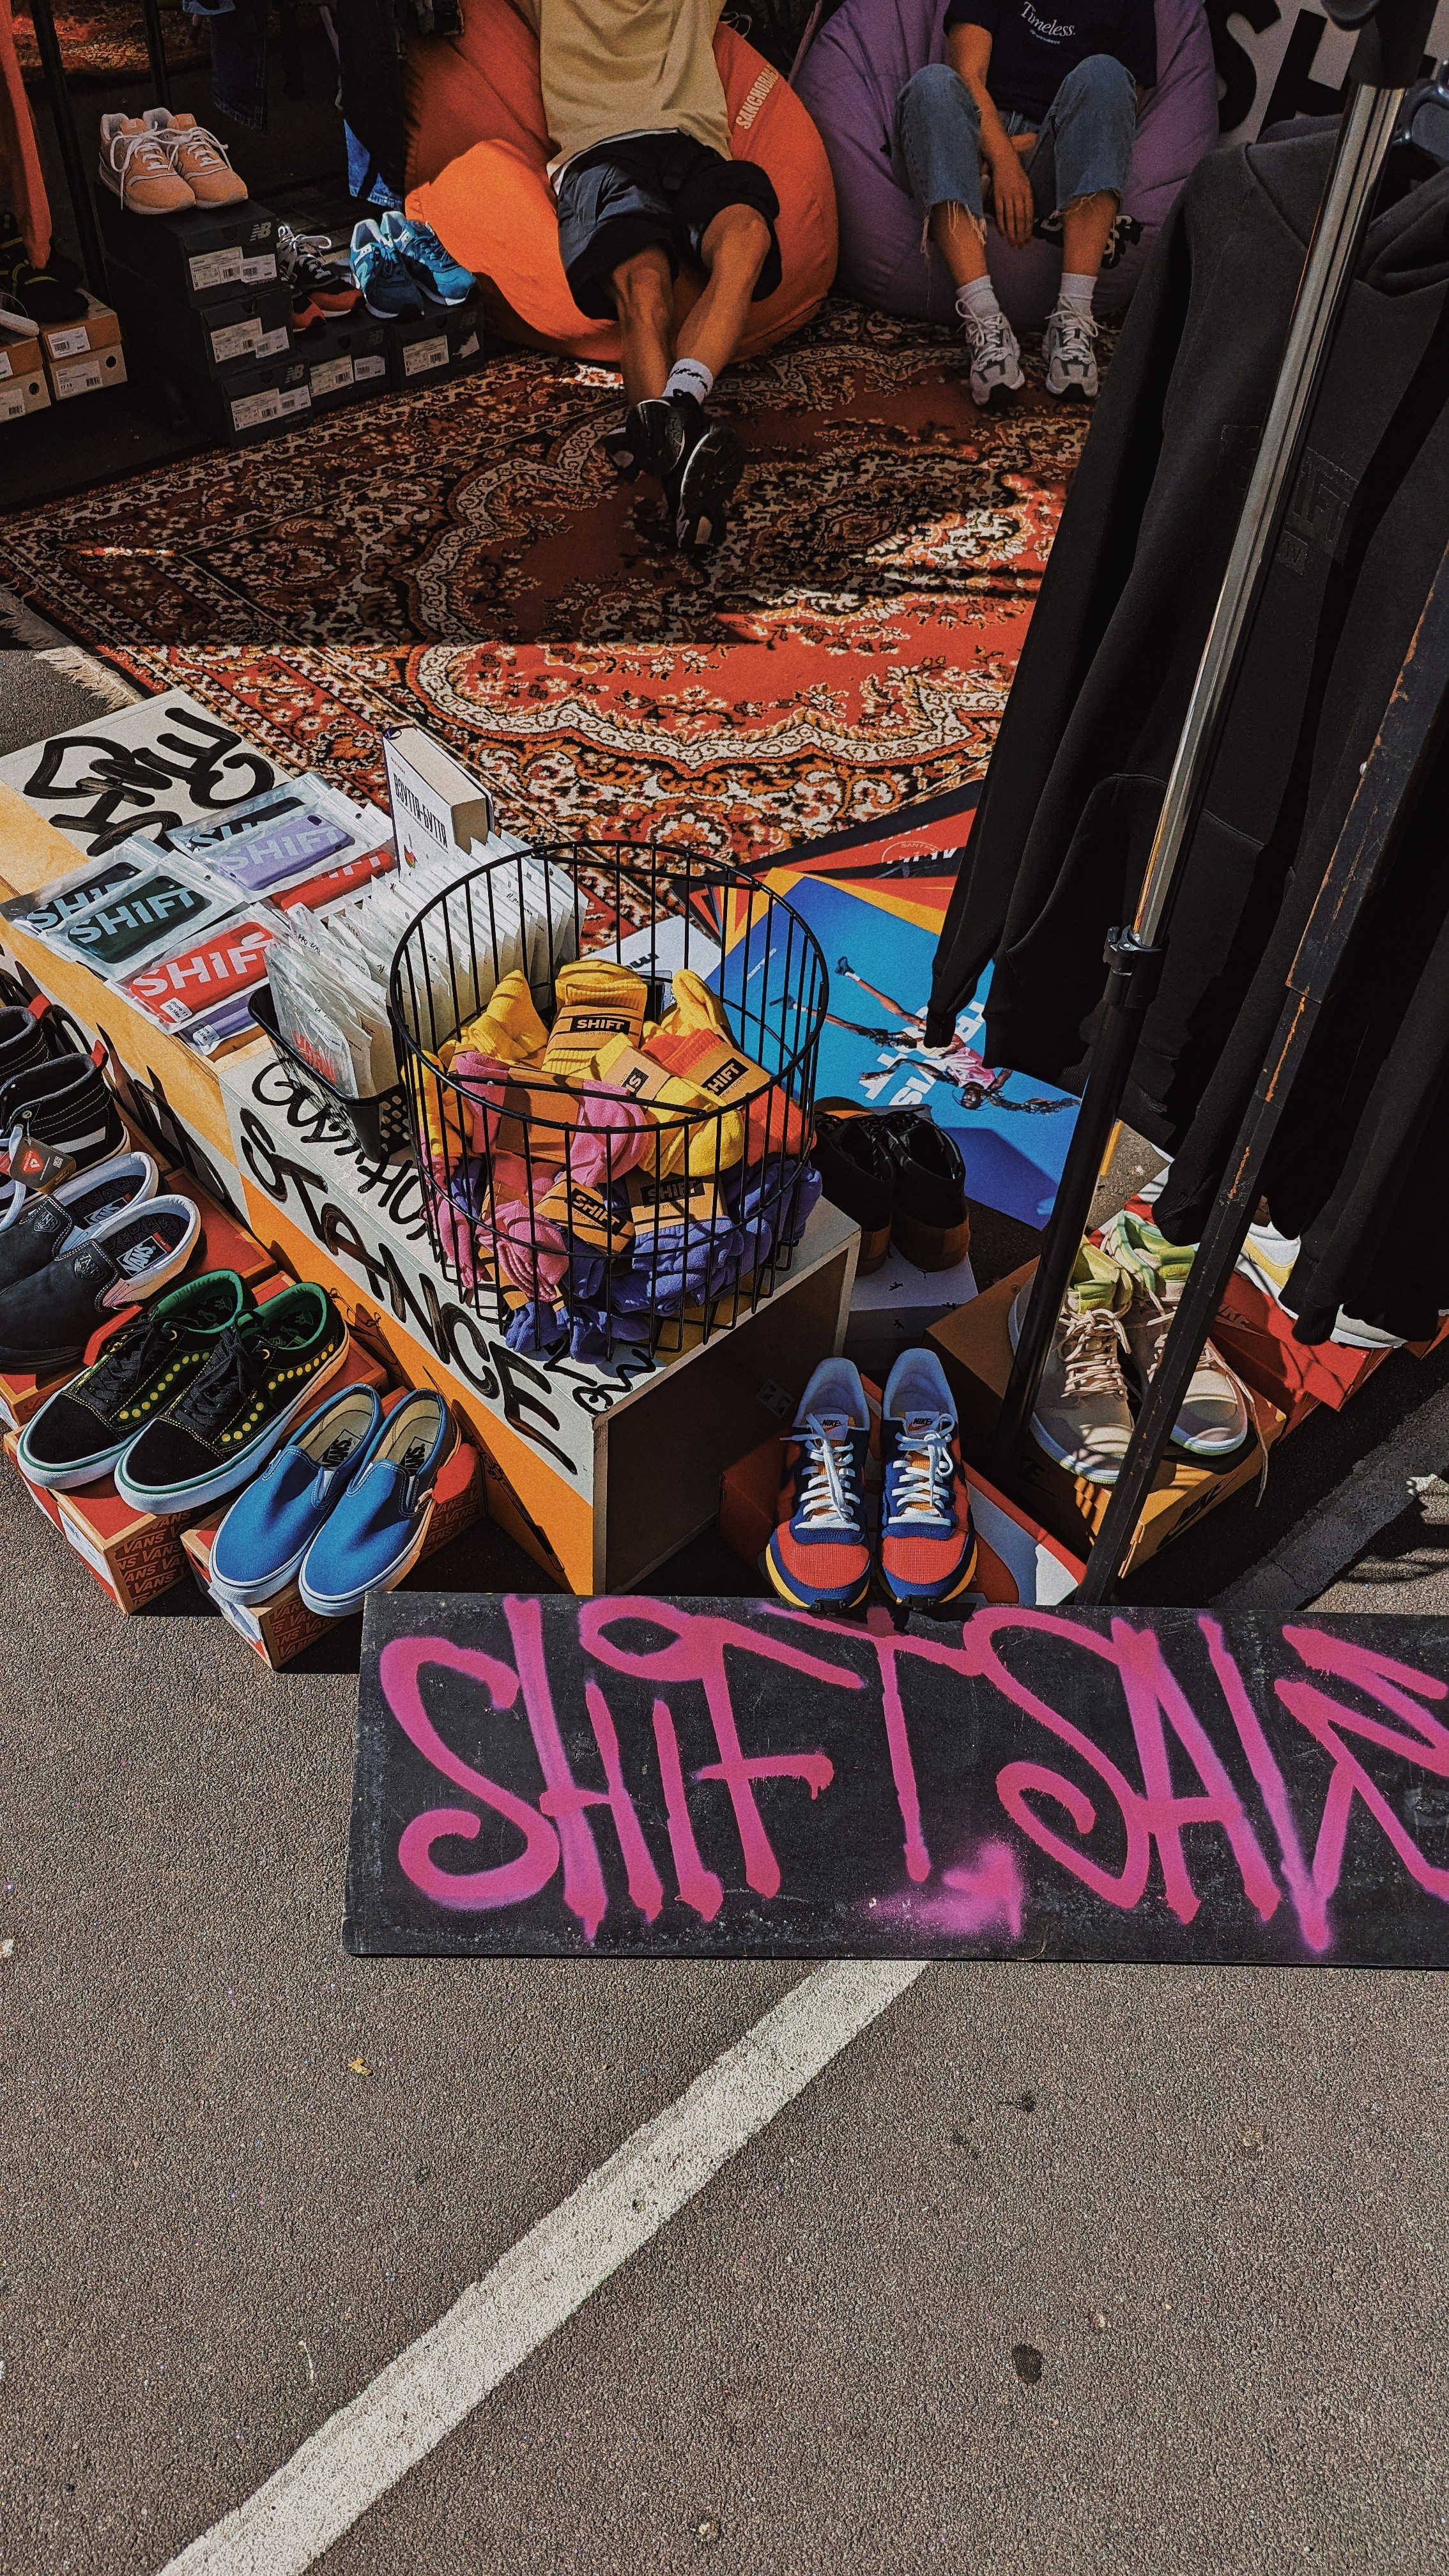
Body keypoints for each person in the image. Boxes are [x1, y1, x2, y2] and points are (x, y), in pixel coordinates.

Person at [506, 0, 783, 552]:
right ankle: (683, 485)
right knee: (645, 288)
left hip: (693, 149)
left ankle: (675, 410)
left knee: (749, 234)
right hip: (600, 156)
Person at [893, 0, 1156, 408]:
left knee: (1105, 74)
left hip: (1052, 152)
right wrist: (1003, 162)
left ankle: (1072, 319)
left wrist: (1022, 156)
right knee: (933, 84)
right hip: (974, 137)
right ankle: (985, 323)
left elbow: (1117, 111)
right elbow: (967, 73)